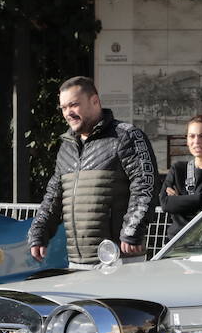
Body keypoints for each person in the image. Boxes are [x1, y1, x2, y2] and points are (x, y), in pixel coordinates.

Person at [28, 76, 156, 267]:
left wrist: (132, 230)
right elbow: (53, 195)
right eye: (63, 107)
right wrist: (39, 232)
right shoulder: (67, 147)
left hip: (118, 258)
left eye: (73, 105)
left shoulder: (126, 136)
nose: (67, 113)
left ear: (95, 101)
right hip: (77, 262)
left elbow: (145, 185)